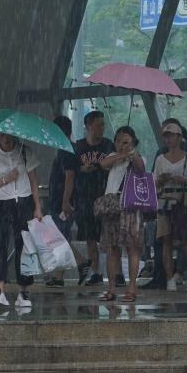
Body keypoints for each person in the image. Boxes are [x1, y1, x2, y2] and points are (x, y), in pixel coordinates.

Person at [141, 118, 187, 290]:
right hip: (164, 202)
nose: (168, 139)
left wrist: (184, 180)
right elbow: (153, 182)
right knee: (166, 241)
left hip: (183, 202)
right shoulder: (161, 159)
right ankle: (169, 278)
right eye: (166, 136)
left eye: (171, 136)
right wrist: (161, 180)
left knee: (186, 241)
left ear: (179, 137)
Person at [0, 132, 42, 309]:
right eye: (1, 136)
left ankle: (23, 291)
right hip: (0, 203)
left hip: (23, 202)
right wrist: (6, 178)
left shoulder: (25, 152)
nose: (6, 140)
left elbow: (33, 182)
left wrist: (37, 207)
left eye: (8, 136)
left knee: (24, 246)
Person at [98, 126, 146, 302]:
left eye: (125, 141)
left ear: (133, 141)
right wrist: (122, 154)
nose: (121, 144)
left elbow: (141, 168)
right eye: (118, 141)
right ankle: (111, 288)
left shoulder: (138, 157)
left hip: (130, 207)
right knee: (111, 248)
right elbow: (103, 164)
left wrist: (130, 154)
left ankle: (131, 288)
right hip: (111, 207)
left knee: (132, 247)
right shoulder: (113, 156)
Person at [74, 111, 114, 286]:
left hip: (103, 194)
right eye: (99, 125)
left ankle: (115, 272)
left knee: (108, 234)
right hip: (85, 196)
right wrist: (82, 169)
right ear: (89, 126)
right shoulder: (79, 147)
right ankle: (96, 271)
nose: (102, 128)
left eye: (103, 125)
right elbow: (72, 170)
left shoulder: (107, 145)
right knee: (91, 236)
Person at [45, 116, 82, 287]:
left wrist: (66, 201)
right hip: (59, 201)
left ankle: (81, 263)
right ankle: (59, 277)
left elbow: (70, 176)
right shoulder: (65, 149)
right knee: (61, 237)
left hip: (62, 202)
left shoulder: (67, 150)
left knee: (59, 238)